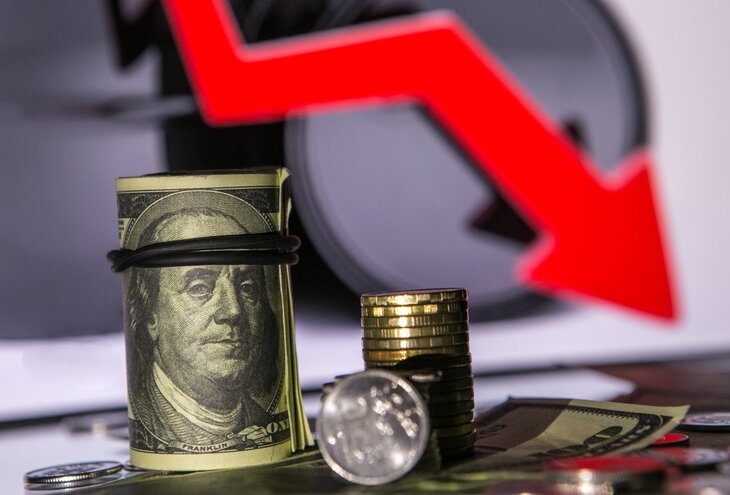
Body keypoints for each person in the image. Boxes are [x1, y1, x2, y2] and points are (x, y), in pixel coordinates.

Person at [125, 207, 282, 453]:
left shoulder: (264, 420)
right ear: (151, 316)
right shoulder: (147, 418)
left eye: (247, 287)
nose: (233, 311)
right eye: (199, 288)